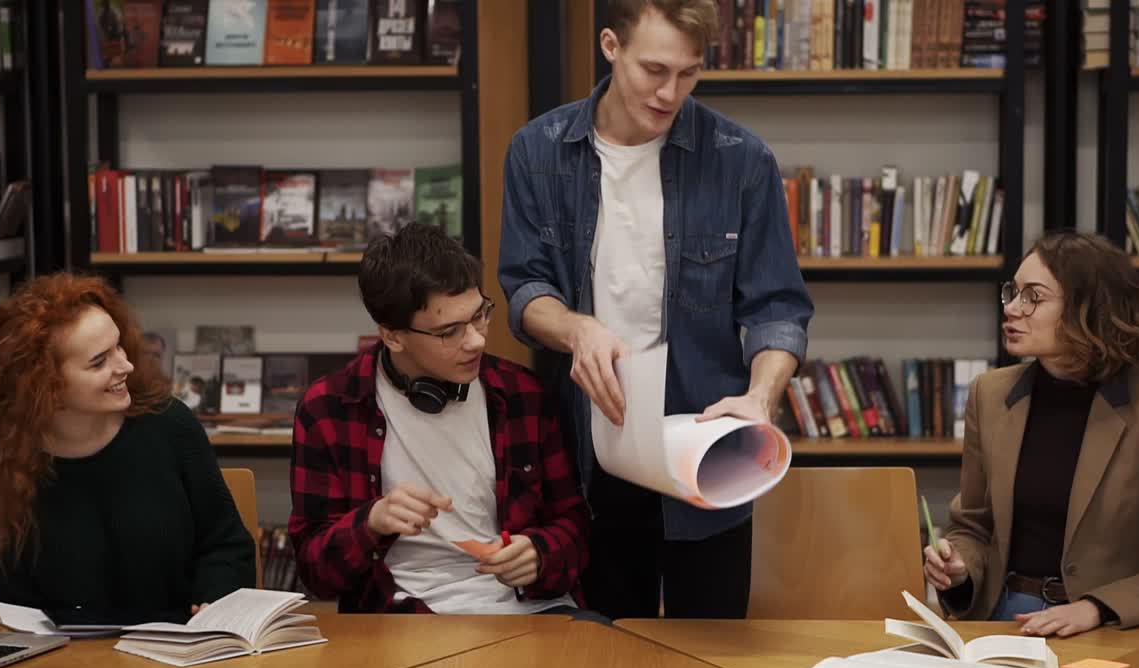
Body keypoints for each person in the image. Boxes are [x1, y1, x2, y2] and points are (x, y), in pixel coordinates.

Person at [497, 0, 813, 619]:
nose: (671, 93)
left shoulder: (741, 160)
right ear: (610, 46)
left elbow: (777, 307)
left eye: (689, 73)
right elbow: (525, 289)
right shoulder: (538, 151)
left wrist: (760, 397)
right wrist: (577, 329)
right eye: (654, 70)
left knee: (712, 651)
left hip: (706, 447)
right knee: (604, 650)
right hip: (588, 450)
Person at [288, 223, 598, 621]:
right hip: (401, 618)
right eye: (449, 332)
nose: (476, 341)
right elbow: (316, 573)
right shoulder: (329, 408)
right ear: (392, 336)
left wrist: (540, 553)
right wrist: (372, 522)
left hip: (532, 611)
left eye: (480, 315)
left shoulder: (523, 394)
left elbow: (575, 528)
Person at [924, 231, 1139, 637]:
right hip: (1001, 620)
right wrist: (960, 566)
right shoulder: (989, 394)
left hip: (1105, 629)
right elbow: (973, 526)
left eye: (1033, 297)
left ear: (1087, 309)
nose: (1012, 308)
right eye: (1012, 292)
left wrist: (1098, 608)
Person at [0, 273, 255, 624]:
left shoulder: (170, 425)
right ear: (43, 385)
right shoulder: (0, 462)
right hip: (64, 652)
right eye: (99, 362)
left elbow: (227, 545)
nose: (126, 366)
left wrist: (214, 602)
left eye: (119, 347)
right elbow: (13, 604)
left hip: (180, 643)